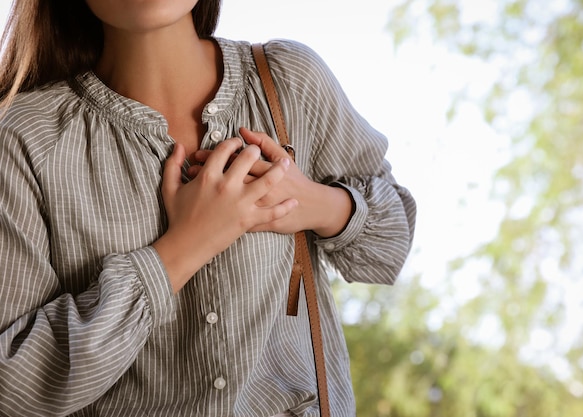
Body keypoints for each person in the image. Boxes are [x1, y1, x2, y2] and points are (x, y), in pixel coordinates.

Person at [0, 0, 416, 416]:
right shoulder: (24, 138)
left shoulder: (289, 81)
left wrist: (316, 204)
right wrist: (181, 250)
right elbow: (12, 389)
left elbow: (389, 248)